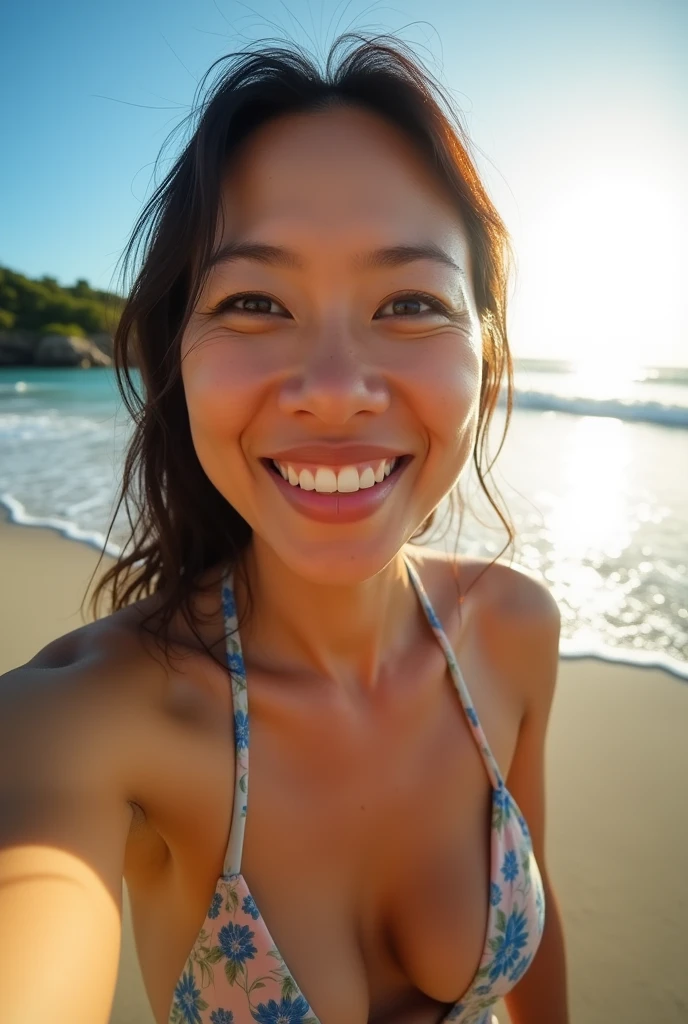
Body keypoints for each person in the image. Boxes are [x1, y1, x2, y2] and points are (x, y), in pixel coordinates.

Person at [0, 32, 569, 1024]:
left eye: (410, 301)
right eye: (255, 300)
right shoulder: (81, 727)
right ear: (180, 353)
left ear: (486, 348)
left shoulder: (513, 630)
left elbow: (539, 928)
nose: (336, 391)